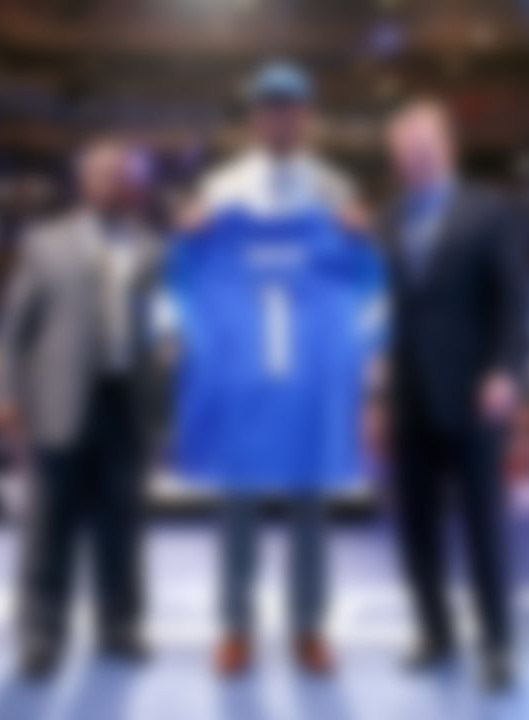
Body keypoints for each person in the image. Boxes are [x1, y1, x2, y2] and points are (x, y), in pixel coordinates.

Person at [183, 60, 370, 678]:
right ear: (254, 119)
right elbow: (190, 274)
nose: (280, 118)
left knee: (310, 505)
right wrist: (188, 240)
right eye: (269, 108)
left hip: (309, 376)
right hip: (242, 375)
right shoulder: (220, 189)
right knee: (237, 505)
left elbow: (365, 280)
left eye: (291, 108)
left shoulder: (337, 190)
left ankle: (308, 626)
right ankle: (236, 627)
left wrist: (363, 243)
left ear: (308, 118)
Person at [0, 139, 162, 679]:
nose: (111, 182)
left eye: (120, 173)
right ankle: (40, 635)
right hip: (59, 402)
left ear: (131, 183)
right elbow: (12, 330)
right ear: (83, 181)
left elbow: (165, 331)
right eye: (101, 173)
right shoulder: (44, 243)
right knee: (48, 527)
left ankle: (121, 627)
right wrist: (3, 392)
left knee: (123, 525)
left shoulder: (153, 247)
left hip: (126, 401)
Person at [378, 99, 529, 692]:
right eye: (404, 149)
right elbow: (378, 310)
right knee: (415, 529)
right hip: (409, 398)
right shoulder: (387, 219)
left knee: (483, 528)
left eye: (424, 145)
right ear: (396, 156)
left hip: (474, 397)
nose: (414, 157)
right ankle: (435, 633)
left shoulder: (491, 211)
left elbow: (515, 303)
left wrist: (505, 370)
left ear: (447, 146)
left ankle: (497, 647)